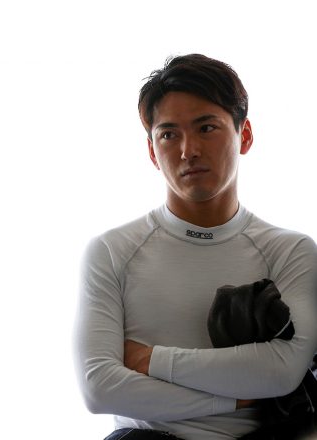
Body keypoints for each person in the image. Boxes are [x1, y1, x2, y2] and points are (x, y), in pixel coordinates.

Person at [73, 54, 317, 440]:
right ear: (152, 152)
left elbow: (282, 371)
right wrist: (234, 400)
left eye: (206, 128)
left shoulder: (291, 251)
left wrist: (150, 359)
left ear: (245, 136)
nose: (189, 150)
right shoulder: (112, 251)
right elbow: (99, 388)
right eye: (169, 135)